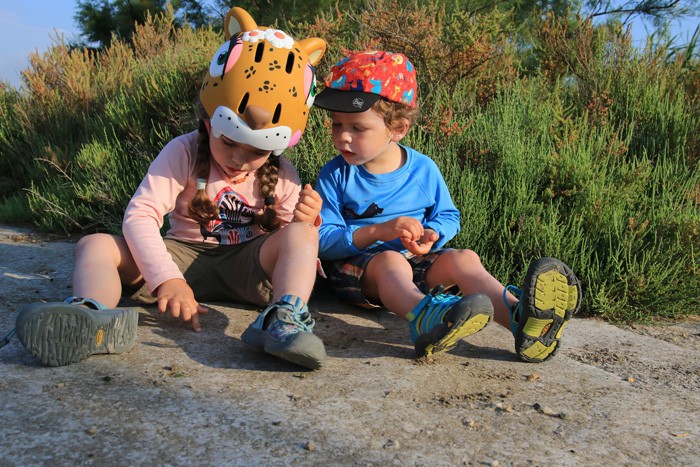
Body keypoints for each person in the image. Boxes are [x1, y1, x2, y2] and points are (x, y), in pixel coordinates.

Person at [15, 7, 328, 370]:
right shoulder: (182, 151)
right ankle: (90, 316)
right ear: (208, 122)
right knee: (96, 244)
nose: (240, 159)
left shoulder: (284, 174)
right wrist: (167, 279)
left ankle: (283, 319)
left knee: (303, 236)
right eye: (229, 143)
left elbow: (285, 245)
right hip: (181, 256)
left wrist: (305, 222)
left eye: (257, 152)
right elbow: (141, 214)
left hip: (248, 268)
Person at [312, 50, 581, 362]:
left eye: (357, 128)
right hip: (357, 270)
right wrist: (378, 231)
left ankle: (521, 321)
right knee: (390, 260)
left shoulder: (423, 170)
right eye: (336, 124)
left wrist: (432, 234)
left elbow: (448, 216)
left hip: (414, 262)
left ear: (398, 128)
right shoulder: (336, 174)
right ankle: (425, 319)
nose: (343, 136)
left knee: (465, 259)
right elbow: (323, 241)